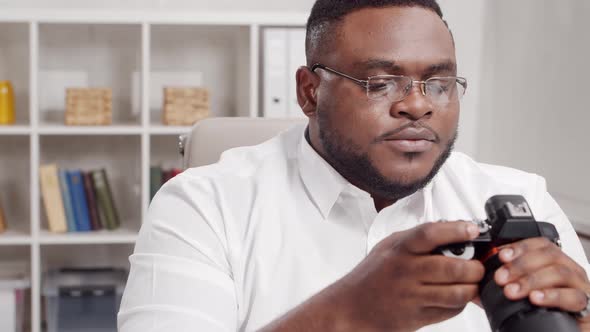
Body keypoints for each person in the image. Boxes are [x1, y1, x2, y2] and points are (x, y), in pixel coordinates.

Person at [118, 1, 590, 331]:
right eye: (381, 83)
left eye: (439, 83)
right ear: (309, 92)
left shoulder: (523, 201)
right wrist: (354, 314)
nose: (417, 106)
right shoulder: (203, 207)